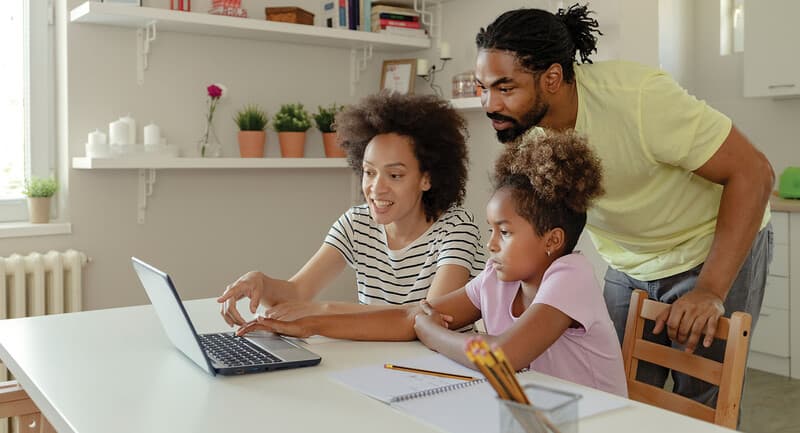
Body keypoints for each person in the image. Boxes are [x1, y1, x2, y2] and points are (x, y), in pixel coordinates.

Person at [473, 4, 774, 406]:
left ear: (552, 78)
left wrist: (710, 290)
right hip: (629, 263)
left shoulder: (637, 99)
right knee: (613, 396)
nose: (489, 104)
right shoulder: (525, 132)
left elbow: (754, 173)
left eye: (505, 88)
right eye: (483, 87)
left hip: (708, 247)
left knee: (701, 404)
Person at [236, 130, 628, 397]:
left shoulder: (570, 276)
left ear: (552, 241)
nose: (490, 245)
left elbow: (502, 358)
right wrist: (310, 324)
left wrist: (428, 330)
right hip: (538, 413)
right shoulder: (497, 277)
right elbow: (408, 316)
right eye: (492, 230)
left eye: (504, 233)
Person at [218, 92, 485, 326]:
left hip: (442, 372)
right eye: (369, 172)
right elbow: (298, 292)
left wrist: (322, 313)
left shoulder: (456, 229)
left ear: (427, 178)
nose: (376, 188)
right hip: (376, 365)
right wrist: (261, 283)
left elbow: (429, 319)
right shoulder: (357, 224)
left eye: (395, 176)